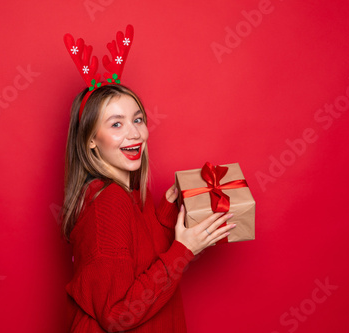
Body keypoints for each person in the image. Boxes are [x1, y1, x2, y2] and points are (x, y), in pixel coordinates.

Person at [61, 84, 236, 332]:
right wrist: (184, 251)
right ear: (90, 140)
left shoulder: (130, 195)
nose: (135, 134)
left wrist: (166, 214)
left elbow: (140, 263)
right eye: (116, 124)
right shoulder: (108, 202)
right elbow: (117, 315)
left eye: (138, 119)